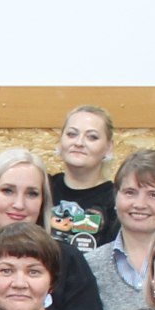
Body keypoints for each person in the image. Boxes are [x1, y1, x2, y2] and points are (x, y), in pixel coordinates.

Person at [0, 149, 104, 310]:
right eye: (8, 191)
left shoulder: (68, 260)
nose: (19, 204)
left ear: (43, 202)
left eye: (32, 194)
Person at [89, 149, 155, 310]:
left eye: (153, 194)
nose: (139, 204)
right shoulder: (90, 265)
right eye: (130, 192)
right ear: (115, 197)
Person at [49, 105, 118, 253]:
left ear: (109, 147)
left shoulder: (116, 200)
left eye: (92, 137)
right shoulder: (42, 188)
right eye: (72, 134)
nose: (79, 143)